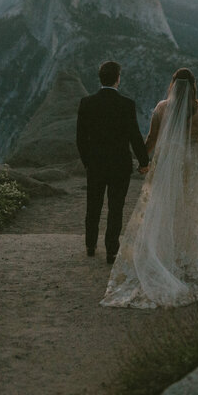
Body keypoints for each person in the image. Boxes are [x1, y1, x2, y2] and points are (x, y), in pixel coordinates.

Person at [101, 68, 198, 309]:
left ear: (173, 84)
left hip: (166, 161)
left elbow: (152, 139)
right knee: (187, 207)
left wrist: (143, 161)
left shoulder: (162, 107)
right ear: (194, 86)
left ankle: (160, 251)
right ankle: (183, 254)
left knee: (163, 204)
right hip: (190, 162)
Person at [77, 61, 150, 264]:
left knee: (93, 206)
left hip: (96, 165)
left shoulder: (87, 103)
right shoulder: (126, 104)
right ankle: (111, 250)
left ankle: (90, 245)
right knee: (115, 208)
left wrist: (87, 162)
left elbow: (80, 139)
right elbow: (135, 136)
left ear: (100, 78)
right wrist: (144, 161)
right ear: (118, 78)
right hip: (120, 165)